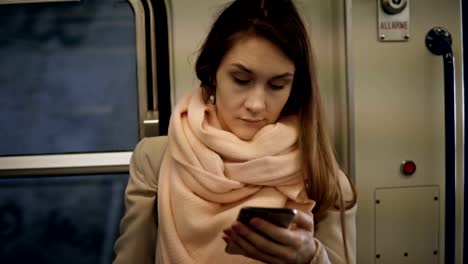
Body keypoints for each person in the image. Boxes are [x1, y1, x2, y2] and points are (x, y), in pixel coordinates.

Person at [113, 0, 357, 263]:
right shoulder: (155, 159)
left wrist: (311, 258)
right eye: (241, 80)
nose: (255, 104)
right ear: (212, 74)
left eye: (277, 85)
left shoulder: (321, 174)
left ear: (293, 90)